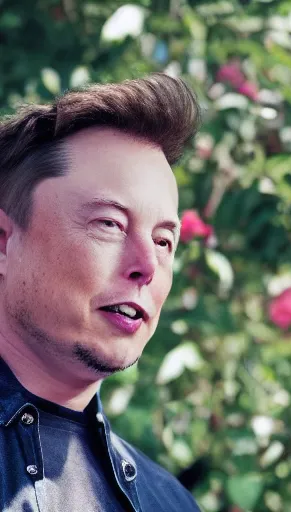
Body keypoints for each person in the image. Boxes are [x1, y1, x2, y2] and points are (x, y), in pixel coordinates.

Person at [0, 73, 202, 511]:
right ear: (4, 241)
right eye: (110, 224)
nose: (147, 266)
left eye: (164, 242)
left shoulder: (169, 502)